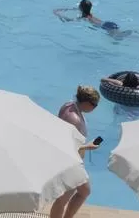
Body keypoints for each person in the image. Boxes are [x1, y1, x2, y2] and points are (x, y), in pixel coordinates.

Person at [50, 86, 100, 218]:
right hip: (69, 162)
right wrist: (87, 146)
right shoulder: (73, 119)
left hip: (73, 160)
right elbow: (66, 146)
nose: (95, 108)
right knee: (63, 199)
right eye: (94, 105)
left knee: (84, 191)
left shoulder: (68, 105)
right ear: (86, 102)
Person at [54, 0, 124, 35]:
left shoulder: (84, 18)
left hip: (105, 27)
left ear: (80, 7)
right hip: (107, 23)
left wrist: (58, 14)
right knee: (123, 34)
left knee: (121, 37)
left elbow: (68, 20)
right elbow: (80, 9)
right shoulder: (90, 15)